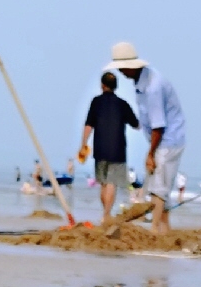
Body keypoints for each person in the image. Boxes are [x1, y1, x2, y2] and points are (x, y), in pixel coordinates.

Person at [110, 42, 184, 233]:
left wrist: (150, 154)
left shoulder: (152, 87)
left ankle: (154, 230)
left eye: (121, 68)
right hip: (161, 140)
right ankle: (164, 230)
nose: (120, 72)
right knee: (158, 185)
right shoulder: (141, 81)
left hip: (168, 140)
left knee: (158, 189)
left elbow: (159, 125)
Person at [77, 67, 139, 226]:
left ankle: (105, 215)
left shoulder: (96, 102)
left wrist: (83, 143)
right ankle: (106, 215)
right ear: (115, 86)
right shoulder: (123, 104)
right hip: (118, 150)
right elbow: (136, 125)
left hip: (100, 149)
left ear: (102, 85)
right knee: (112, 183)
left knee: (104, 183)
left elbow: (88, 125)